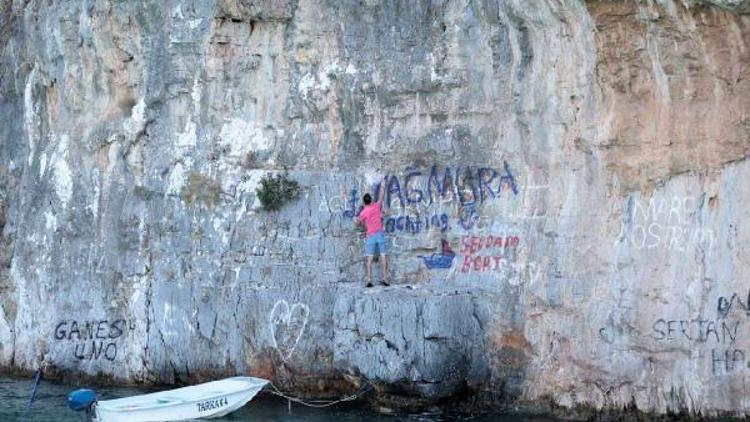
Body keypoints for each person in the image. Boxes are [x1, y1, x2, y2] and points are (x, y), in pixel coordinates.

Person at [354, 182, 390, 287]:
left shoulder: (364, 212)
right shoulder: (377, 206)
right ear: (371, 200)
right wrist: (383, 185)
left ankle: (369, 280)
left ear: (364, 202)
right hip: (380, 234)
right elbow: (381, 196)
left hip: (371, 236)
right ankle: (385, 278)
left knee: (369, 258)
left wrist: (356, 220)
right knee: (383, 256)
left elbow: (358, 223)